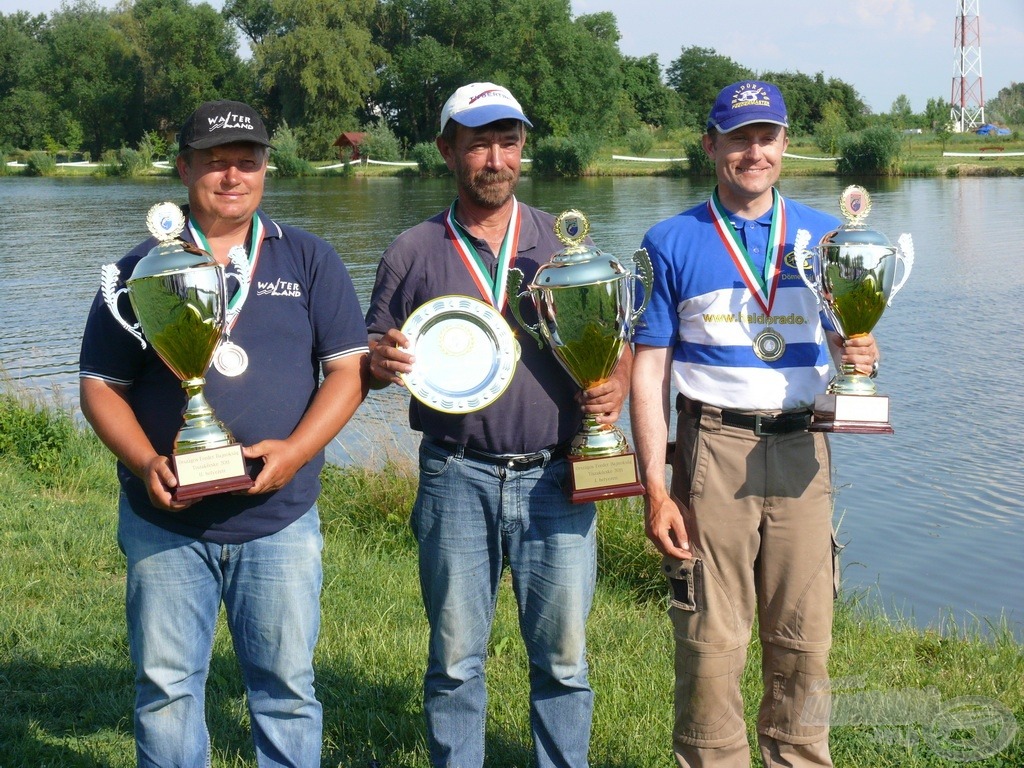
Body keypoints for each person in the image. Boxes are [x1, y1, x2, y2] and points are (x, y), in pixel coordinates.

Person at [79, 99, 369, 767]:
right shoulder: (137, 270)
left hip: (279, 519)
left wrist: (296, 453)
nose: (232, 175)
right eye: (215, 162)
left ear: (266, 168)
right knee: (166, 691)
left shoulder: (311, 260)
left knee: (287, 691)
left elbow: (348, 373)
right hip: (167, 523)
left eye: (247, 161)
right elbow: (100, 388)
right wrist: (145, 461)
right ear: (184, 170)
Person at [365, 82, 630, 768]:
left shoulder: (562, 243)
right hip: (456, 471)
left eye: (507, 142)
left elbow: (613, 337)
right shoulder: (412, 251)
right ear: (447, 149)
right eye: (478, 142)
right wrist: (378, 362)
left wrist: (617, 383)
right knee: (455, 659)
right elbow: (366, 363)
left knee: (565, 660)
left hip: (558, 471)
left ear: (521, 150)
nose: (494, 158)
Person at [629, 81, 880, 768]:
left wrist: (860, 349)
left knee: (805, 649)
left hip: (804, 449)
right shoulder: (668, 241)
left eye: (766, 136)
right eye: (738, 137)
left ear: (785, 144)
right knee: (710, 648)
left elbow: (844, 344)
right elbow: (646, 374)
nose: (753, 151)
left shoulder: (825, 237)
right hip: (714, 449)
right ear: (711, 145)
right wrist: (656, 488)